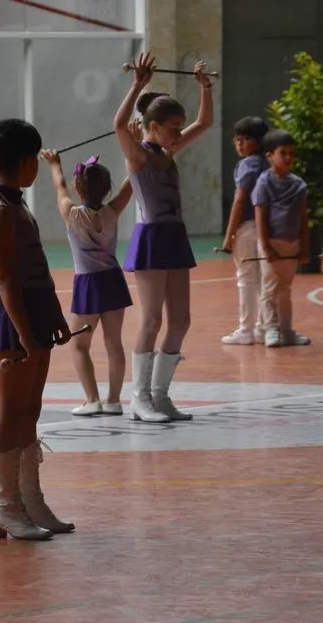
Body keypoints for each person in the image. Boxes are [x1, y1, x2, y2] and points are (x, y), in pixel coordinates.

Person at [0, 110, 72, 541]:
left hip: (33, 310)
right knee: (8, 413)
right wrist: (27, 334)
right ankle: (5, 506)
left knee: (29, 411)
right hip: (10, 317)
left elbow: (37, 265)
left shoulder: (15, 202)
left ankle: (31, 499)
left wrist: (54, 314)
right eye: (34, 158)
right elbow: (7, 280)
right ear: (26, 161)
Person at [113, 51, 213, 423]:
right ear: (153, 126)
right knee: (151, 320)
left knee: (181, 319)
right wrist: (138, 84)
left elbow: (205, 122)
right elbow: (118, 124)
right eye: (173, 127)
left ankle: (160, 395)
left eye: (179, 127)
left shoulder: (169, 151)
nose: (179, 133)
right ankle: (138, 399)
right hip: (152, 238)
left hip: (174, 237)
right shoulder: (138, 156)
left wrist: (204, 87)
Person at [39, 147, 133, 416]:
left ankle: (92, 400)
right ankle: (114, 400)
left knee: (79, 345)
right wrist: (134, 149)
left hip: (88, 284)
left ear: (78, 189)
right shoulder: (113, 210)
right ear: (107, 190)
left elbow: (60, 187)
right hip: (113, 281)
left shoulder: (72, 213)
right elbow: (131, 182)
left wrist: (54, 163)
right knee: (114, 343)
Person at [252, 129, 312, 348]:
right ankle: (271, 329)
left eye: (291, 153)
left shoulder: (298, 185)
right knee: (269, 289)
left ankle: (287, 331)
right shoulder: (263, 182)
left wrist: (304, 246)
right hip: (272, 243)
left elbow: (303, 217)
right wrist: (266, 247)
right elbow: (260, 215)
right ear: (269, 155)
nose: (288, 157)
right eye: (283, 153)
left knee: (285, 289)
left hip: (292, 244)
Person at [220, 116, 269, 345]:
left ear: (258, 142)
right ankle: (263, 327)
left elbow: (240, 200)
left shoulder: (247, 165)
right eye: (237, 139)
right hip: (264, 226)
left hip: (247, 227)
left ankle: (246, 329)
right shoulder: (267, 163)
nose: (240, 144)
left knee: (246, 277)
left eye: (246, 139)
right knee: (262, 278)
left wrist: (229, 234)